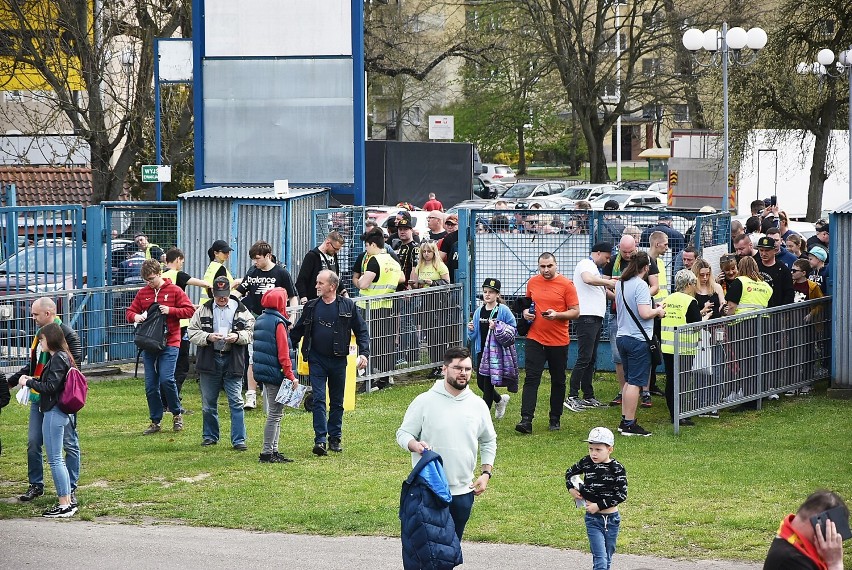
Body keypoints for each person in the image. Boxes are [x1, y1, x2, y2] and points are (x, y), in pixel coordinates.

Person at [396, 346, 497, 543]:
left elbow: (488, 440)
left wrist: (486, 473)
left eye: (467, 369)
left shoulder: (478, 405)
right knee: (427, 552)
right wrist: (414, 444)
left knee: (449, 552)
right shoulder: (424, 401)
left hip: (463, 493)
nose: (463, 373)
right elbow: (403, 433)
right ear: (444, 369)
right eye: (458, 368)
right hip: (428, 491)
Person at [7, 298, 82, 505]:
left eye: (35, 315)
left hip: (60, 402)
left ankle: (70, 488)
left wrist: (35, 382)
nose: (32, 318)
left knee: (67, 444)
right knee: (33, 441)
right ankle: (36, 484)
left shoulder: (66, 335)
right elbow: (31, 367)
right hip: (39, 398)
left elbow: (72, 368)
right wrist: (12, 382)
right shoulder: (39, 338)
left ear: (48, 314)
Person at [291, 270, 370, 456]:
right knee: (318, 399)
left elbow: (361, 331)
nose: (316, 286)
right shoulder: (310, 307)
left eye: (320, 283)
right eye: (317, 283)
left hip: (338, 360)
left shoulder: (347, 306)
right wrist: (284, 348)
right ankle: (320, 440)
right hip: (316, 359)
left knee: (337, 401)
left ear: (332, 287)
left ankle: (335, 438)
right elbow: (297, 332)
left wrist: (364, 353)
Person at [126, 259, 196, 435]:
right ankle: (155, 420)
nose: (149, 283)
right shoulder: (143, 293)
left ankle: (176, 413)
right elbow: (130, 312)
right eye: (146, 280)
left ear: (159, 274)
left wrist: (171, 310)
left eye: (151, 278)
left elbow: (189, 310)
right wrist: (135, 317)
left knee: (166, 379)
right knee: (150, 385)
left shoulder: (174, 290)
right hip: (150, 343)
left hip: (171, 341)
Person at [187, 276, 255, 450]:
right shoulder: (203, 310)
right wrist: (208, 337)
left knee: (236, 401)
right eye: (219, 295)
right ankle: (210, 436)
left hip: (233, 359)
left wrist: (238, 337)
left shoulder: (241, 310)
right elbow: (192, 332)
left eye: (225, 294)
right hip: (210, 359)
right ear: (213, 294)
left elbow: (252, 331)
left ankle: (239, 440)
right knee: (208, 402)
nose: (222, 298)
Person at [515, 252, 580, 434]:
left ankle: (555, 418)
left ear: (556, 265)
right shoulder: (533, 282)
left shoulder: (567, 285)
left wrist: (557, 315)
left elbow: (576, 312)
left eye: (549, 266)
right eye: (542, 266)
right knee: (531, 378)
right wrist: (526, 312)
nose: (545, 270)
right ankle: (526, 420)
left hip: (559, 340)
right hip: (535, 338)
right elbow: (527, 303)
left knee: (558, 380)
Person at [234, 240, 299, 410]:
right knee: (254, 356)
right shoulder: (253, 273)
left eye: (257, 258)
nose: (255, 262)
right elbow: (239, 291)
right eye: (253, 259)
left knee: (281, 356)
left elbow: (293, 296)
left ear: (268, 256)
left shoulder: (282, 273)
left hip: (278, 321)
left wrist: (292, 316)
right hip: (257, 320)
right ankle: (251, 395)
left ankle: (284, 394)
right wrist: (225, 299)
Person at [603, 235, 659, 407]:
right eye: (623, 251)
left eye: (630, 251)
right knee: (624, 364)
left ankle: (645, 392)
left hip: (628, 327)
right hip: (626, 323)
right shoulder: (614, 263)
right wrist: (653, 308)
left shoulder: (626, 281)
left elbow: (655, 287)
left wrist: (637, 298)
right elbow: (605, 287)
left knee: (636, 368)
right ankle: (626, 406)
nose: (627, 255)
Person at [615, 251, 665, 437]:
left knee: (629, 381)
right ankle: (629, 423)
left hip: (622, 336)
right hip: (638, 339)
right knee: (636, 382)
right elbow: (644, 313)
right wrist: (658, 311)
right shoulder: (641, 286)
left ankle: (625, 420)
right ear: (646, 268)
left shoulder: (620, 283)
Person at [565, 427, 628, 570]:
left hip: (612, 519)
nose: (593, 453)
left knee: (608, 556)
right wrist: (571, 489)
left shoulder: (616, 468)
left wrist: (598, 505)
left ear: (610, 449)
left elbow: (621, 494)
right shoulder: (586, 462)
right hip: (593, 520)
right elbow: (569, 473)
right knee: (600, 558)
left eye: (598, 450)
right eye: (591, 449)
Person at [564, 242, 615, 412]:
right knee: (584, 357)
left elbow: (603, 291)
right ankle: (572, 396)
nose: (607, 261)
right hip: (586, 317)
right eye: (607, 257)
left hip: (595, 318)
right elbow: (588, 279)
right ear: (598, 253)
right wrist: (610, 282)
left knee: (591, 358)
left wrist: (618, 294)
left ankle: (588, 395)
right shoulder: (586, 264)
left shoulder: (595, 270)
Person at [252, 288, 299, 463]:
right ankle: (267, 452)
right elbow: (283, 353)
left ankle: (273, 450)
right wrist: (290, 375)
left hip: (265, 373)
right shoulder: (278, 323)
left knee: (276, 413)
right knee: (275, 414)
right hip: (277, 374)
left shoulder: (261, 319)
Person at [161, 248, 211, 405]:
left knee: (166, 364)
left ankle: (165, 400)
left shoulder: (160, 276)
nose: (182, 264)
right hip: (180, 324)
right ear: (177, 260)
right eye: (182, 261)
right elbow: (204, 283)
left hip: (163, 326)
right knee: (181, 364)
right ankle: (173, 400)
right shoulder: (177, 275)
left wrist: (192, 305)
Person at [355, 229, 403, 388]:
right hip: (386, 307)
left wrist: (360, 279)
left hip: (370, 308)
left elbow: (363, 284)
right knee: (385, 343)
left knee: (368, 343)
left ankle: (367, 378)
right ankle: (385, 376)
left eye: (367, 246)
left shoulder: (375, 260)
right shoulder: (392, 260)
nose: (366, 249)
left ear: (373, 245)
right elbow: (402, 278)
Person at [468, 278, 517, 419]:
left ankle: (483, 418)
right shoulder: (479, 311)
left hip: (495, 353)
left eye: (491, 292)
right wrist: (471, 329)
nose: (487, 295)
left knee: (488, 385)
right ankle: (500, 400)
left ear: (497, 295)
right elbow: (474, 335)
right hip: (481, 351)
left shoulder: (503, 310)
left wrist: (497, 327)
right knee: (480, 383)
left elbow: (512, 328)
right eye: (485, 292)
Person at [763, 490, 846, 570]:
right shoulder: (793, 561)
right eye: (833, 533)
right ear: (821, 526)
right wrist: (835, 565)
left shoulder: (788, 542)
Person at [660, 269, 703, 426]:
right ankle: (679, 415)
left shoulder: (667, 299)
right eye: (694, 284)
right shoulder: (690, 301)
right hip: (684, 349)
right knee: (682, 382)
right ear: (689, 284)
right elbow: (696, 326)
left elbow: (659, 322)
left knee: (671, 380)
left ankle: (674, 413)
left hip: (667, 347)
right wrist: (704, 317)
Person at [411, 241, 450, 377]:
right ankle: (435, 364)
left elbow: (447, 283)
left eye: (429, 251)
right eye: (424, 252)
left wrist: (432, 283)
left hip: (439, 302)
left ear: (434, 253)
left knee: (439, 335)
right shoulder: (419, 266)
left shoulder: (440, 265)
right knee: (429, 334)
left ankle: (441, 365)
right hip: (425, 302)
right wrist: (415, 285)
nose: (426, 254)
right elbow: (415, 284)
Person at [296, 231, 345, 303]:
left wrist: (344, 292)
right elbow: (301, 280)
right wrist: (304, 299)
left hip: (333, 301)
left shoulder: (333, 255)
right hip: (316, 301)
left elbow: (336, 277)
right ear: (328, 243)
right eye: (335, 249)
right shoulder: (312, 256)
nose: (337, 252)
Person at [756, 236, 794, 308]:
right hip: (757, 310)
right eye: (761, 250)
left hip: (776, 312)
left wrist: (783, 312)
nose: (763, 253)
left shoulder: (783, 269)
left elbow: (789, 293)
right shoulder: (755, 266)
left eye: (767, 250)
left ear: (774, 250)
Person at [200, 239, 235, 305]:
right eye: (224, 252)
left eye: (228, 252)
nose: (227, 254)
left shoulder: (212, 266)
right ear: (216, 253)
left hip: (207, 304)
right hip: (216, 305)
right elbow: (222, 290)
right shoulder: (220, 268)